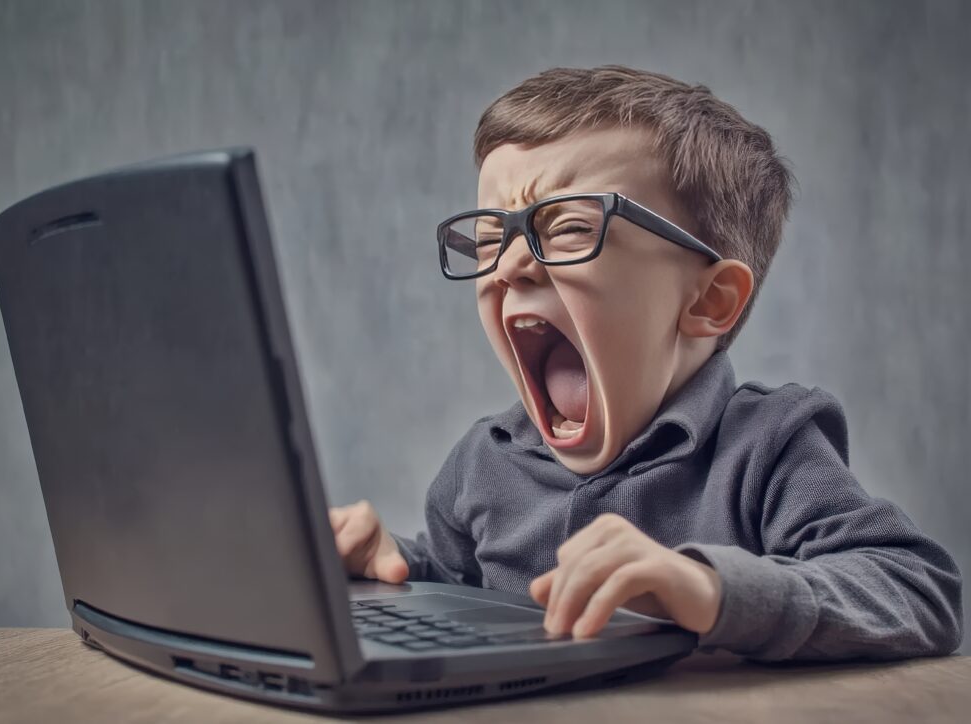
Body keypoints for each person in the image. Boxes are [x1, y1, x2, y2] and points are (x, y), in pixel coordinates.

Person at [328, 65, 962, 660]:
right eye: (492, 238)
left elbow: (917, 588)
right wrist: (390, 563)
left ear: (710, 301)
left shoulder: (769, 448)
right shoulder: (483, 463)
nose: (511, 264)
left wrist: (709, 589)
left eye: (570, 228)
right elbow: (454, 580)